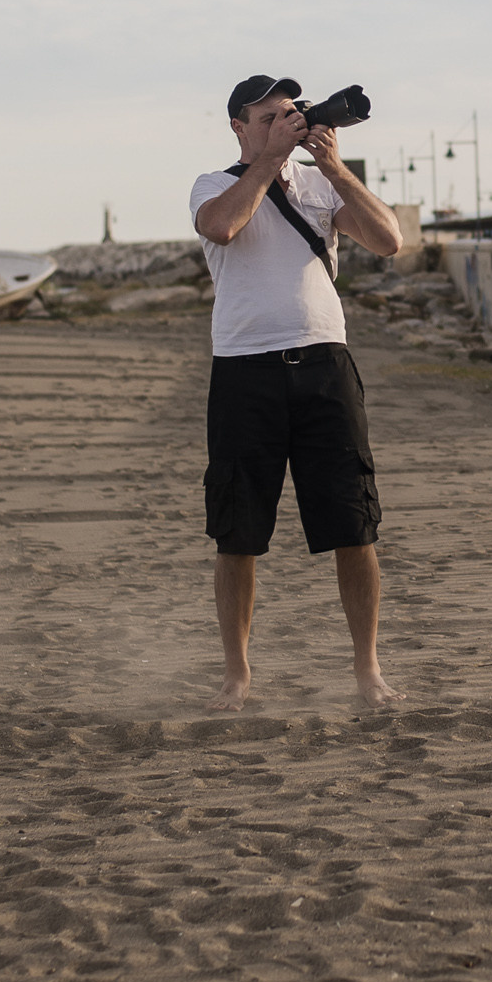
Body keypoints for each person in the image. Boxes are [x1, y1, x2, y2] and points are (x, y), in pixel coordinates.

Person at [191, 74, 405, 710]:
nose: (282, 124)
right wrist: (272, 160)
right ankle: (238, 673)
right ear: (238, 126)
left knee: (354, 524)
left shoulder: (320, 184)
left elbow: (390, 240)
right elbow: (223, 227)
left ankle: (367, 670)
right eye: (267, 119)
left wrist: (333, 167)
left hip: (324, 366)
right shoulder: (214, 184)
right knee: (238, 529)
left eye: (290, 115)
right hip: (244, 370)